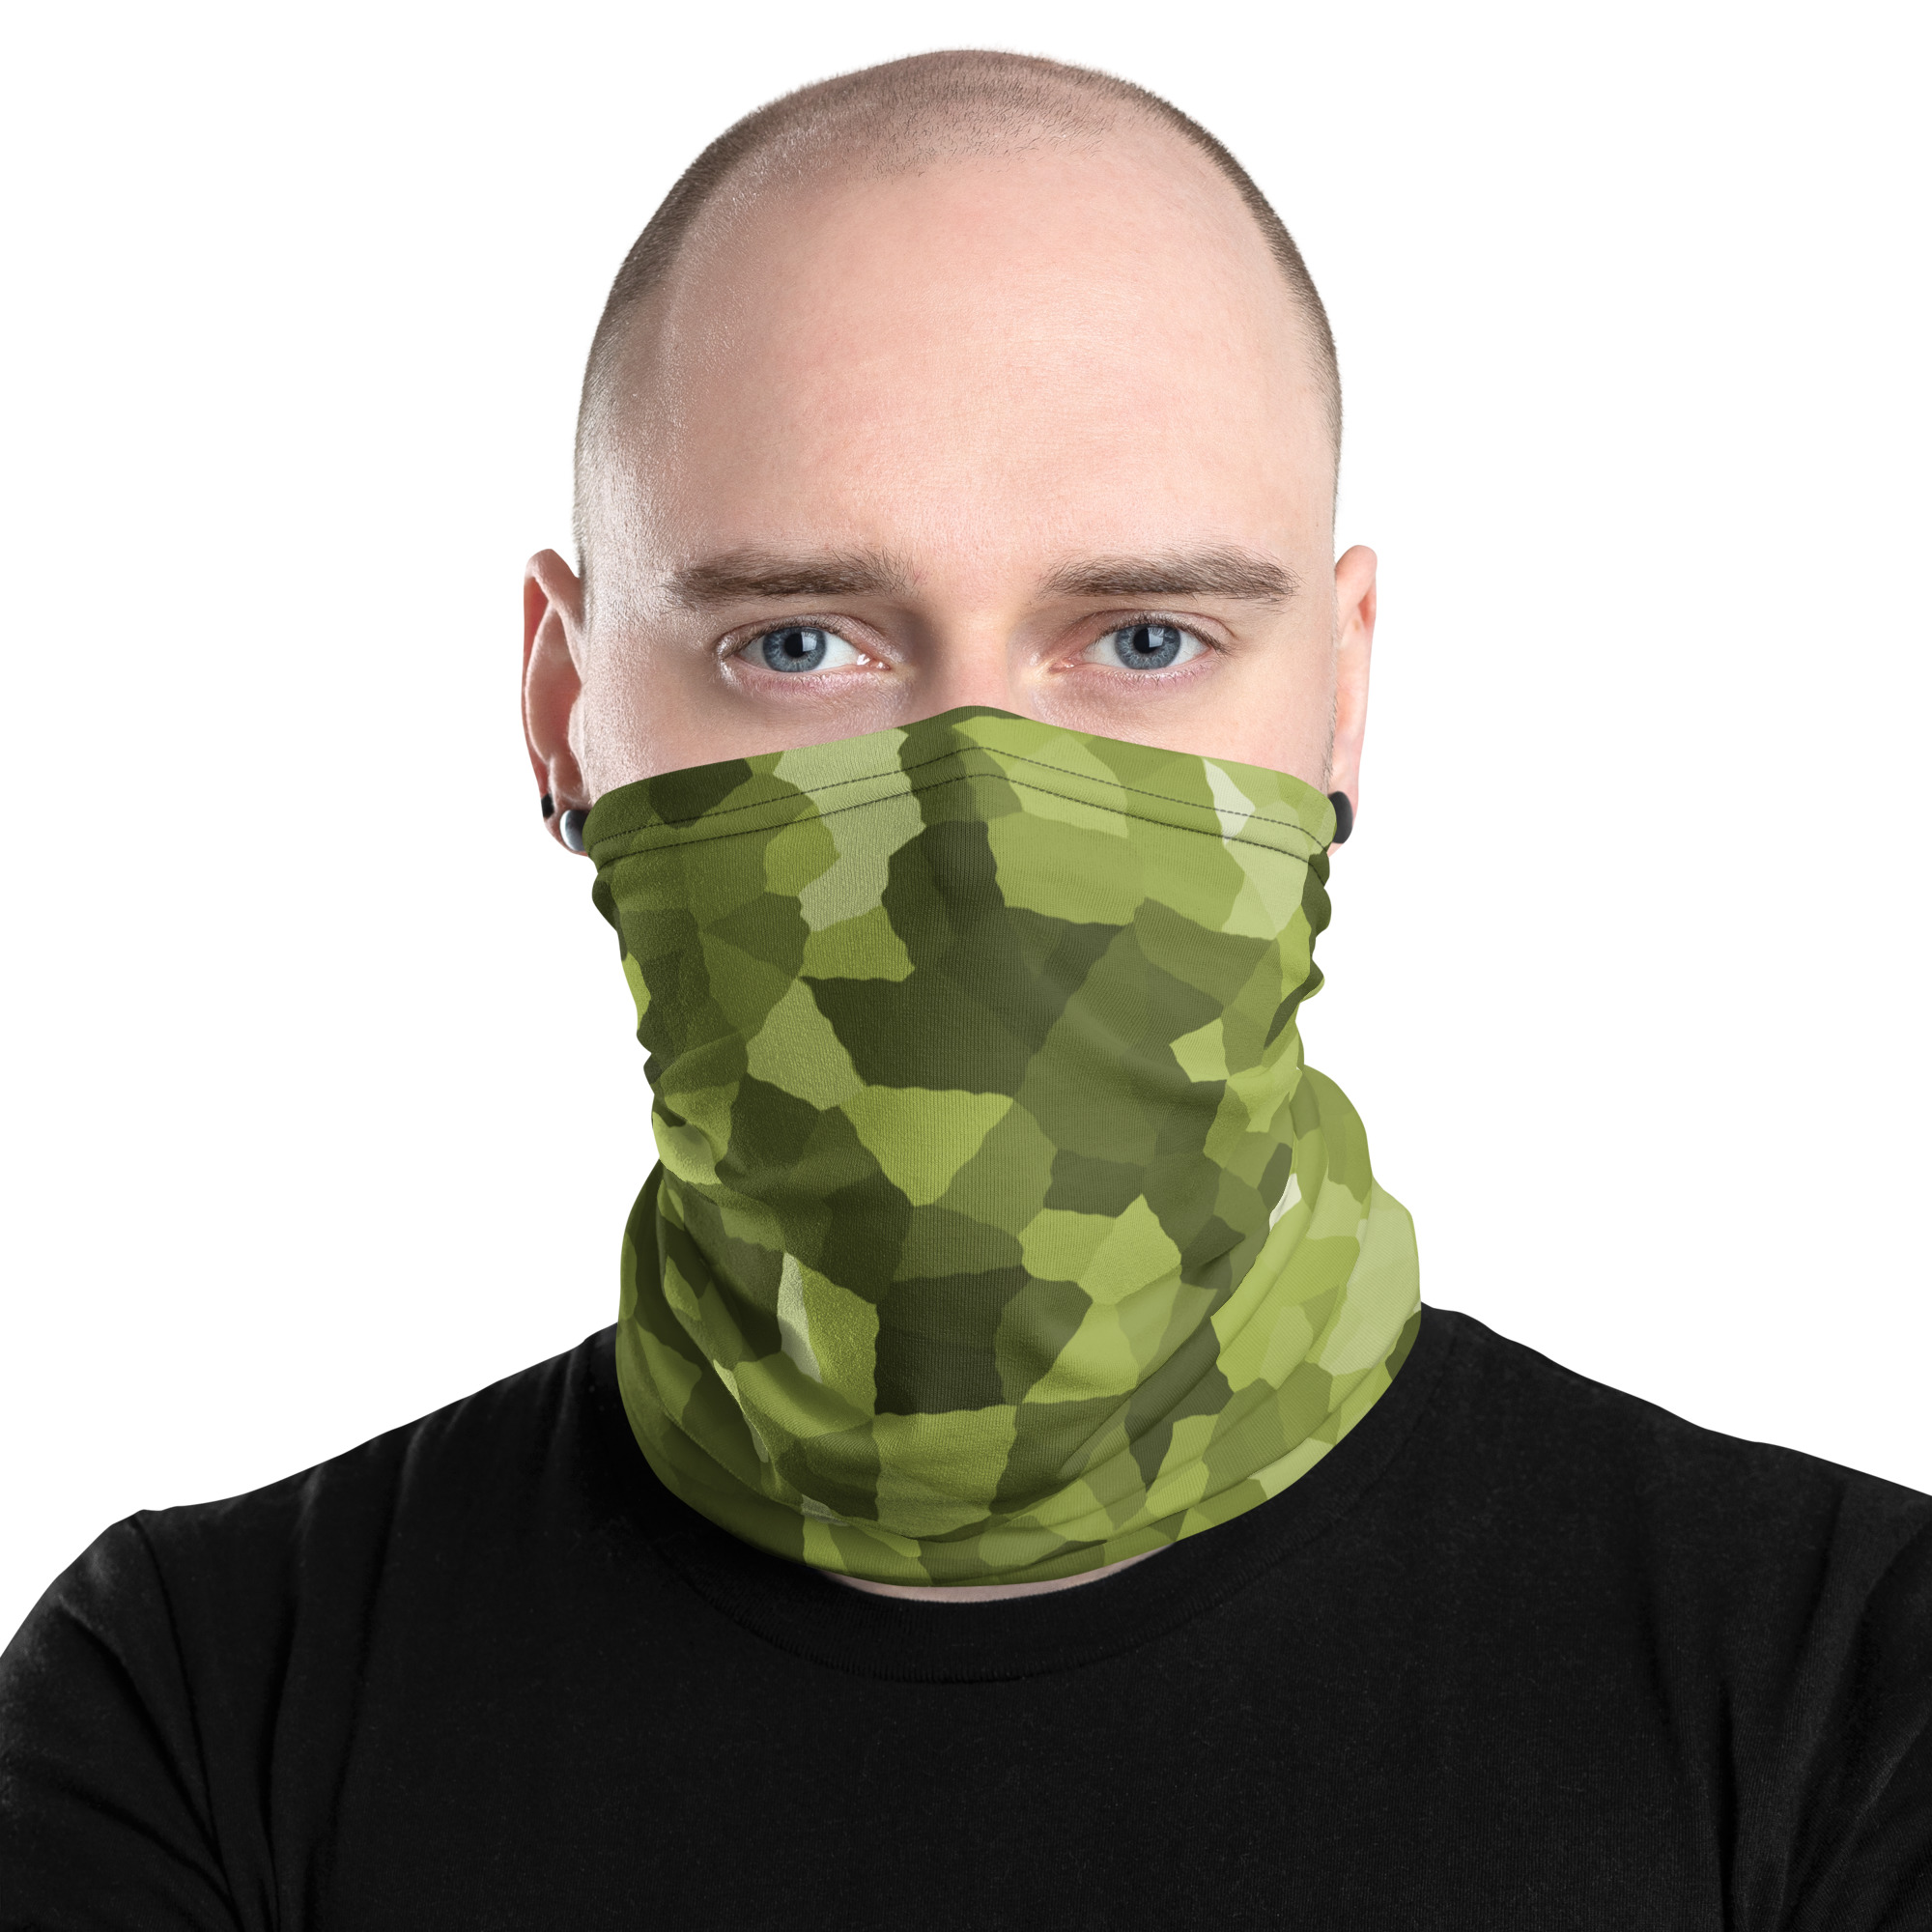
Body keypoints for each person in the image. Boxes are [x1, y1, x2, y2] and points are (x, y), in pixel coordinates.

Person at [2, 48, 1927, 1929]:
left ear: (1341, 697)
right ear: (563, 707)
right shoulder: (193, 1711)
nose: (979, 831)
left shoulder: (1852, 1693)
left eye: (1145, 637)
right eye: (802, 642)